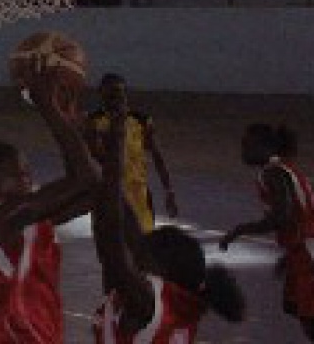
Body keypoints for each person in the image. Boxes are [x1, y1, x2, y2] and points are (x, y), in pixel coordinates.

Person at [0, 69, 96, 344]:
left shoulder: (20, 218)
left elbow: (91, 192)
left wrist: (73, 127)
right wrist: (49, 108)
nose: (28, 179)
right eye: (19, 173)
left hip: (37, 333)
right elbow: (85, 178)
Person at [90, 103, 246, 341]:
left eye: (139, 254)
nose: (133, 255)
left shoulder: (146, 301)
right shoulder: (183, 304)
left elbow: (113, 241)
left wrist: (53, 111)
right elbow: (124, 225)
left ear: (159, 270)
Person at [219, 123, 314, 344]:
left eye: (247, 145)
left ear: (264, 147)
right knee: (296, 307)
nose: (242, 151)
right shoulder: (280, 169)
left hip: (313, 247)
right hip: (307, 245)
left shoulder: (273, 173)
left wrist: (239, 230)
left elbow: (283, 216)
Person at [85, 73, 178, 233]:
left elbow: (157, 157)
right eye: (110, 93)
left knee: (144, 245)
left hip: (139, 196)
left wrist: (169, 191)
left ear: (125, 93)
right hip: (110, 196)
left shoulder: (141, 121)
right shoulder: (93, 122)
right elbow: (96, 158)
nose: (115, 97)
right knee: (113, 249)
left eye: (118, 92)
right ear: (101, 94)